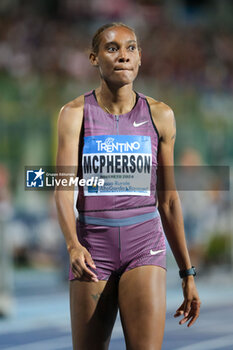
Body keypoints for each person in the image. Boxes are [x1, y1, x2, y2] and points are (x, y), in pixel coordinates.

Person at [54, 22, 201, 350]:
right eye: (112, 48)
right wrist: (73, 246)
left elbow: (170, 202)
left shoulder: (160, 115)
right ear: (94, 58)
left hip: (144, 246)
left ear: (140, 59)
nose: (123, 56)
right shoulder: (74, 114)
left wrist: (187, 272)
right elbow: (62, 189)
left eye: (131, 48)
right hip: (93, 249)